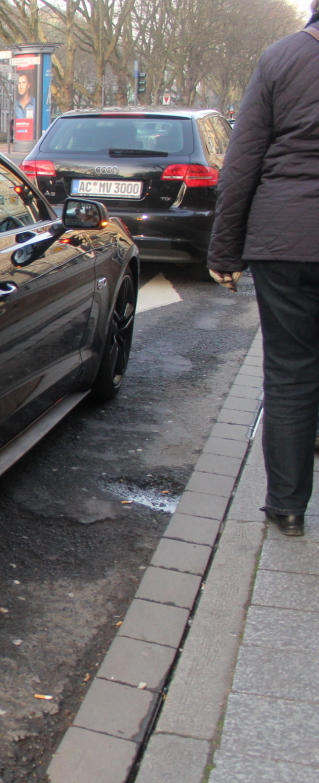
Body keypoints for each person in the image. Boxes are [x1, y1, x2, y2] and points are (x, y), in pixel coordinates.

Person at [207, 0, 319, 537]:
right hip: (289, 234)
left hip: (286, 239)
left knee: (291, 373)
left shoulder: (281, 59)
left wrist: (224, 252)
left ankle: (288, 507)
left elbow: (242, 161)